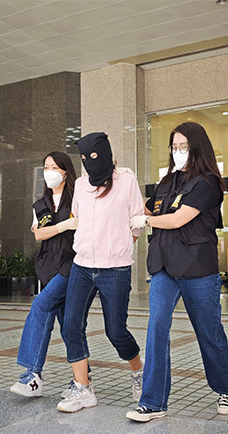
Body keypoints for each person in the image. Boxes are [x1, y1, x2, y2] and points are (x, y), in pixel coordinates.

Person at [125, 121, 228, 422]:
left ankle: (225, 388)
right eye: (174, 147)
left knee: (208, 332)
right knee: (157, 328)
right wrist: (125, 188)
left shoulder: (208, 183)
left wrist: (146, 221)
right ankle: (153, 402)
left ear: (197, 147)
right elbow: (147, 209)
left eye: (183, 146)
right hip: (164, 267)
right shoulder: (166, 182)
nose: (178, 151)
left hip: (197, 270)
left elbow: (177, 219)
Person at [57, 132, 146, 413]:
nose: (88, 162)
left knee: (116, 331)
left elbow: (137, 222)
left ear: (106, 154)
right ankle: (83, 388)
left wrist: (119, 247)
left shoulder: (126, 181)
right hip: (82, 265)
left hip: (115, 268)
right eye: (84, 158)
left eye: (93, 156)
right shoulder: (82, 185)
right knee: (71, 325)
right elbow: (78, 218)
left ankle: (139, 371)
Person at [10, 152, 81, 397]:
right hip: (48, 265)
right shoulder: (39, 204)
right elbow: (39, 234)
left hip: (71, 265)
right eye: (46, 167)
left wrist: (54, 229)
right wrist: (62, 226)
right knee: (68, 324)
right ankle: (82, 378)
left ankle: (32, 374)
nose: (49, 171)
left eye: (54, 167)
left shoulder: (78, 198)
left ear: (65, 172)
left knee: (40, 307)